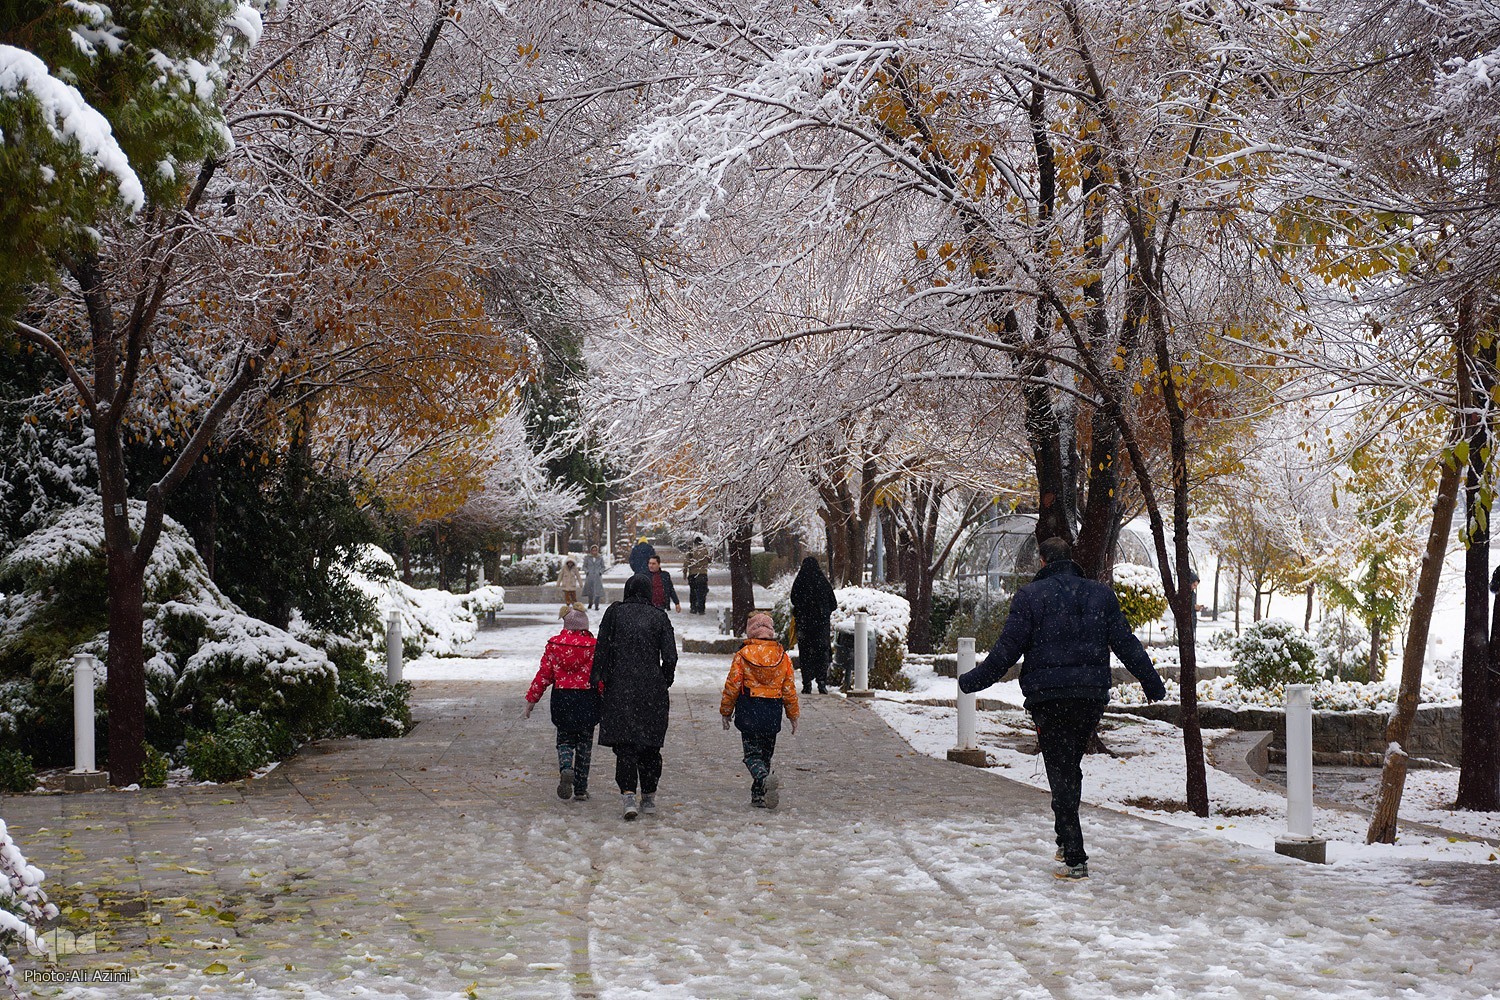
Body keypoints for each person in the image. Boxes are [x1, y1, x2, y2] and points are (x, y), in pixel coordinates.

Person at [958, 536, 1166, 881]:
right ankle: (1063, 838)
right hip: (1090, 696)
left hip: (1049, 697)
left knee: (1061, 771)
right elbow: (1125, 642)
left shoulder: (1029, 597)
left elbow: (1006, 651)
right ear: (1071, 559)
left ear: (1042, 561)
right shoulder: (1100, 594)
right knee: (1068, 767)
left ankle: (1074, 856)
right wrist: (1151, 681)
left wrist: (972, 681)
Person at [594, 574, 678, 820]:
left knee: (625, 745)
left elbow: (602, 649)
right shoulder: (659, 616)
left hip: (620, 687)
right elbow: (670, 656)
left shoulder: (615, 613)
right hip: (651, 688)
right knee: (650, 744)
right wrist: (664, 679)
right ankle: (649, 796)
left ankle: (628, 795)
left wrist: (600, 679)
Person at [720, 613, 799, 808]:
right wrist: (793, 715)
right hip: (773, 711)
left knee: (752, 756)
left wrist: (726, 711)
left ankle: (763, 780)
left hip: (749, 709)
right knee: (765, 755)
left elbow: (733, 685)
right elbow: (789, 688)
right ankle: (759, 796)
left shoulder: (743, 655)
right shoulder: (782, 656)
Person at [523, 604, 600, 802]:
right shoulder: (594, 646)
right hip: (587, 699)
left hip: (562, 697)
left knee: (564, 739)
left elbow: (544, 675)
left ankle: (566, 766)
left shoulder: (554, 645)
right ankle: (580, 789)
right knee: (584, 745)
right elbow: (600, 677)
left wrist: (532, 699)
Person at [789, 556, 838, 694]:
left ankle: (807, 684)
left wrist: (804, 610)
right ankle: (821, 682)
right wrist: (823, 612)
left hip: (804, 625)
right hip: (821, 627)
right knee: (821, 653)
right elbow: (833, 603)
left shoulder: (800, 581)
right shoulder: (823, 582)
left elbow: (793, 599)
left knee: (805, 654)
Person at [683, 537, 713, 615]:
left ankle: (693, 608)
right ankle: (701, 609)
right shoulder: (705, 550)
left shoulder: (690, 551)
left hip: (692, 574)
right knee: (702, 592)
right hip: (702, 574)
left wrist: (685, 573)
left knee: (693, 592)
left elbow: (686, 563)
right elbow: (710, 560)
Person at [582, 545, 607, 610]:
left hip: (597, 577)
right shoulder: (587, 558)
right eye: (593, 550)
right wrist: (587, 571)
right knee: (590, 591)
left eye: (595, 550)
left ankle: (596, 605)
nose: (594, 552)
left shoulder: (600, 558)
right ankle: (590, 603)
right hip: (589, 576)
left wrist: (600, 572)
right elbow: (584, 566)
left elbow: (603, 567)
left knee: (597, 591)